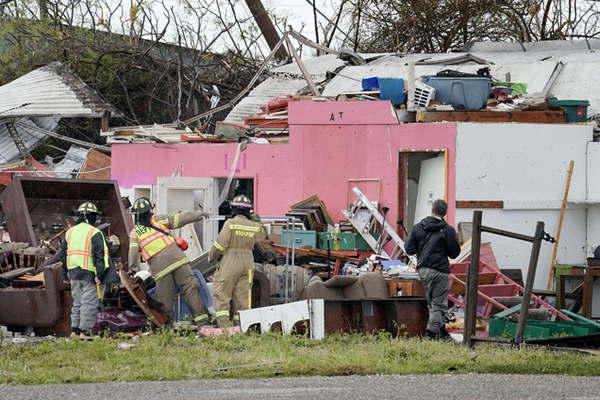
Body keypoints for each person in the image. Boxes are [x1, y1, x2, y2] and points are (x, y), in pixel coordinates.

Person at [128, 197, 211, 326]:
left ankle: (165, 326)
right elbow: (180, 218)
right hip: (178, 259)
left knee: (164, 297)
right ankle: (203, 320)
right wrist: (199, 214)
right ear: (150, 209)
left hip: (160, 268)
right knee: (190, 288)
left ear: (135, 215)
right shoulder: (158, 219)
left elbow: (133, 253)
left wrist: (132, 270)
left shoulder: (135, 233)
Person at [405, 199, 461, 340]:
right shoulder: (447, 230)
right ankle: (429, 338)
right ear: (444, 212)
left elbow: (409, 249)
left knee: (431, 303)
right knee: (438, 305)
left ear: (432, 209)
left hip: (423, 270)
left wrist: (421, 248)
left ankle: (442, 334)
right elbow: (454, 253)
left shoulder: (418, 227)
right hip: (440, 271)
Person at [209, 195, 265, 328]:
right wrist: (256, 220)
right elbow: (263, 236)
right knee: (243, 298)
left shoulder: (230, 223)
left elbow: (220, 245)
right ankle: (241, 327)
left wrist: (212, 257)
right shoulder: (254, 226)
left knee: (222, 294)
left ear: (233, 209)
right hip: (248, 262)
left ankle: (225, 328)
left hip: (230, 260)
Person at [64, 201, 109, 337]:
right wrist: (100, 275)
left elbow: (63, 253)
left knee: (77, 302)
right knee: (88, 302)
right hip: (89, 272)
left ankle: (75, 330)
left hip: (73, 272)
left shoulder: (70, 232)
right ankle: (85, 331)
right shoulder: (95, 232)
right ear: (92, 217)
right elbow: (101, 256)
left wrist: (65, 273)